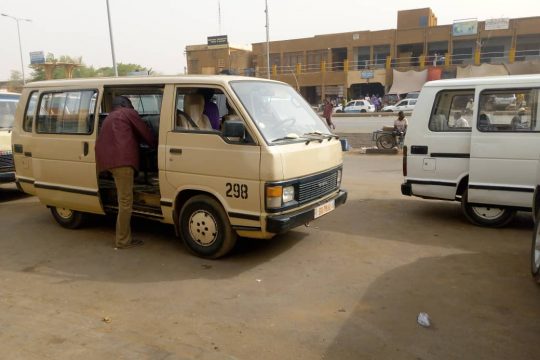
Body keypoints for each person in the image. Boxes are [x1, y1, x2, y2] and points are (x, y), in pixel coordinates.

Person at [95, 96, 156, 249]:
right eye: (130, 104)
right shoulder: (128, 113)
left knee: (123, 199)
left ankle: (123, 237)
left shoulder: (110, 116)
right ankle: (122, 240)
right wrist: (155, 144)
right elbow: (145, 133)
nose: (132, 107)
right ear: (124, 104)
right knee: (125, 202)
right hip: (122, 162)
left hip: (107, 162)